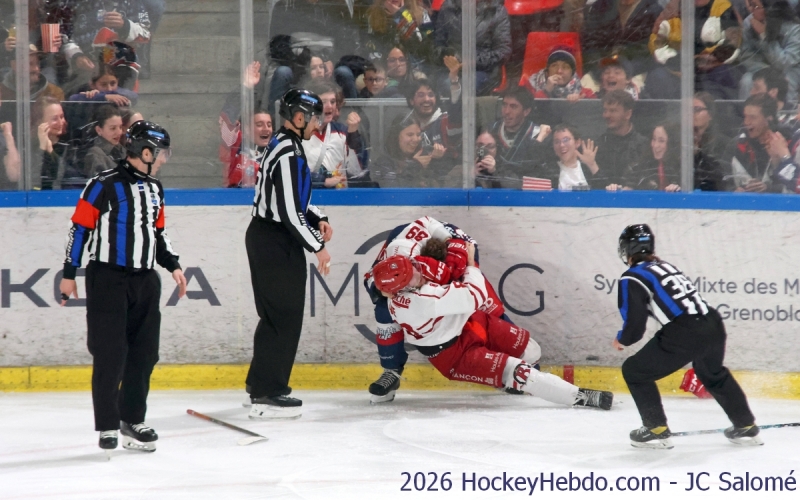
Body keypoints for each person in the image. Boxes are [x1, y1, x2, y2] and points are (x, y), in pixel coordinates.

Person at [58, 120, 187, 452]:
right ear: (144, 152)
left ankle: (132, 418)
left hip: (145, 281)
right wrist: (69, 272)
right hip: (108, 279)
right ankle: (107, 426)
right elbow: (79, 230)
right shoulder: (103, 184)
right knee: (110, 354)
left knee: (145, 354)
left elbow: (157, 233)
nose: (163, 158)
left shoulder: (156, 188)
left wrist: (173, 265)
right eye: (161, 153)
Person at [371, 247, 613, 409]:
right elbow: (475, 294)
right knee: (522, 372)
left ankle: (507, 380)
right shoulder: (419, 302)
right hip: (456, 355)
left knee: (531, 351)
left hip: (469, 323)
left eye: (412, 268)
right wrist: (470, 264)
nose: (418, 273)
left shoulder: (402, 288)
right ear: (400, 289)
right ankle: (581, 397)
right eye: (411, 276)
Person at [613, 224, 761, 449]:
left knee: (634, 371)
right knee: (713, 374)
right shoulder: (664, 266)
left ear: (627, 249)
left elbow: (635, 324)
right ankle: (746, 427)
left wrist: (622, 339)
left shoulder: (632, 277)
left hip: (685, 330)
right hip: (712, 322)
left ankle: (655, 429)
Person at [246, 88, 333, 420]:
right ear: (299, 118)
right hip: (274, 240)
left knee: (277, 316)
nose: (317, 125)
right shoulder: (288, 153)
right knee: (282, 316)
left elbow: (296, 202)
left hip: (272, 238)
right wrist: (317, 247)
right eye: (313, 118)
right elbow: (287, 212)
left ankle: (260, 383)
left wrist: (319, 216)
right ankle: (268, 389)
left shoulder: (288, 146)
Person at [362, 216, 507, 403]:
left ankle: (517, 358)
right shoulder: (399, 251)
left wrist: (469, 269)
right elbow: (371, 280)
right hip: (419, 259)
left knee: (481, 303)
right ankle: (391, 371)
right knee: (384, 308)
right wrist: (382, 291)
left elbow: (486, 302)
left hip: (457, 258)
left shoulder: (461, 255)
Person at [433, 0, 511, 95]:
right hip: (450, 68)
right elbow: (438, 44)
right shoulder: (448, 8)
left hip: (483, 70)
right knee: (430, 85)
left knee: (460, 87)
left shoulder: (497, 11)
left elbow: (503, 52)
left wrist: (472, 61)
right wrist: (449, 57)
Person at [726, 94, 799, 192]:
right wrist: (733, 191)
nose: (746, 122)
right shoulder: (736, 145)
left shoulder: (788, 144)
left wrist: (769, 189)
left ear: (768, 118)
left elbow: (795, 186)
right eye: (745, 116)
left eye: (752, 117)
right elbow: (723, 180)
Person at [304, 81, 369, 189]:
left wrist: (353, 135)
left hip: (338, 200)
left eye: (333, 102)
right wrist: (322, 181)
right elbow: (290, 172)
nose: (329, 106)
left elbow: (357, 170)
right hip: (308, 200)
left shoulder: (342, 132)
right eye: (323, 102)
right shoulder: (295, 135)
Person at [581, 0, 662, 77]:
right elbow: (590, 42)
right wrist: (599, 70)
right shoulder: (602, 5)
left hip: (636, 74)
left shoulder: (654, 11)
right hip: (599, 71)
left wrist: (625, 73)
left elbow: (649, 53)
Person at [739, 0, 800, 103]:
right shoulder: (749, 22)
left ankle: (785, 115)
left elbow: (785, 62)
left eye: (756, 6)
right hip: (760, 70)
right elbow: (746, 55)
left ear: (769, 9)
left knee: (785, 80)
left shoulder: (794, 29)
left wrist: (764, 37)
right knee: (747, 80)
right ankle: (748, 114)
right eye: (751, 6)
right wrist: (766, 72)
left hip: (788, 69)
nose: (752, 10)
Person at [488, 86, 552, 181]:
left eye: (513, 107)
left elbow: (539, 171)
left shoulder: (540, 135)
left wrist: (538, 142)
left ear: (526, 111)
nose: (506, 111)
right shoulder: (490, 131)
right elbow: (479, 155)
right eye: (504, 105)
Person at [594, 90, 648, 190]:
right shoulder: (598, 145)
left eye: (613, 111)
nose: (606, 115)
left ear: (628, 114)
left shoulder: (643, 145)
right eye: (605, 110)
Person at [371, 114, 435, 187]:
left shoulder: (423, 156)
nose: (416, 139)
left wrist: (436, 159)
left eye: (418, 135)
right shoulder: (383, 163)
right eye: (410, 135)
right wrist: (415, 166)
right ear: (396, 137)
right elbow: (393, 192)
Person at [35, 96, 84, 190]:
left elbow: (64, 176)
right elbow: (35, 181)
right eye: (54, 118)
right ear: (40, 121)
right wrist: (42, 148)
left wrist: (50, 151)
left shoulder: (71, 146)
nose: (61, 122)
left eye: (61, 117)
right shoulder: (30, 148)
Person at [626, 123, 682, 191]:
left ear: (672, 143)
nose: (655, 145)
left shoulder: (682, 169)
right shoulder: (640, 167)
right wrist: (616, 189)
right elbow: (627, 190)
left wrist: (676, 189)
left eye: (661, 141)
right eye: (654, 139)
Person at [525, 48, 595, 101]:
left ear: (572, 73)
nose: (559, 71)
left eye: (565, 67)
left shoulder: (585, 93)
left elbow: (595, 111)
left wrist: (581, 102)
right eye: (554, 65)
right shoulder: (529, 89)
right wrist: (546, 91)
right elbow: (532, 110)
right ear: (547, 71)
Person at [0, 44, 65, 101]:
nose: (36, 69)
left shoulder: (54, 92)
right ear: (14, 65)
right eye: (30, 64)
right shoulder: (2, 93)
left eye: (38, 63)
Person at [226, 109, 273, 188]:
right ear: (247, 129)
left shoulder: (278, 152)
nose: (266, 129)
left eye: (269, 125)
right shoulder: (237, 149)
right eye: (259, 125)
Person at [83, 105, 126, 177]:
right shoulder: (94, 155)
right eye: (113, 128)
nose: (119, 132)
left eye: (120, 127)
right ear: (99, 130)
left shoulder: (122, 150)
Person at [69, 64, 138, 107]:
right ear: (92, 85)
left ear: (118, 81)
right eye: (103, 85)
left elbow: (133, 96)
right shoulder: (92, 94)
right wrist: (102, 96)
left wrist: (104, 95)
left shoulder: (120, 91)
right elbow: (73, 99)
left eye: (113, 83)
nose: (109, 89)